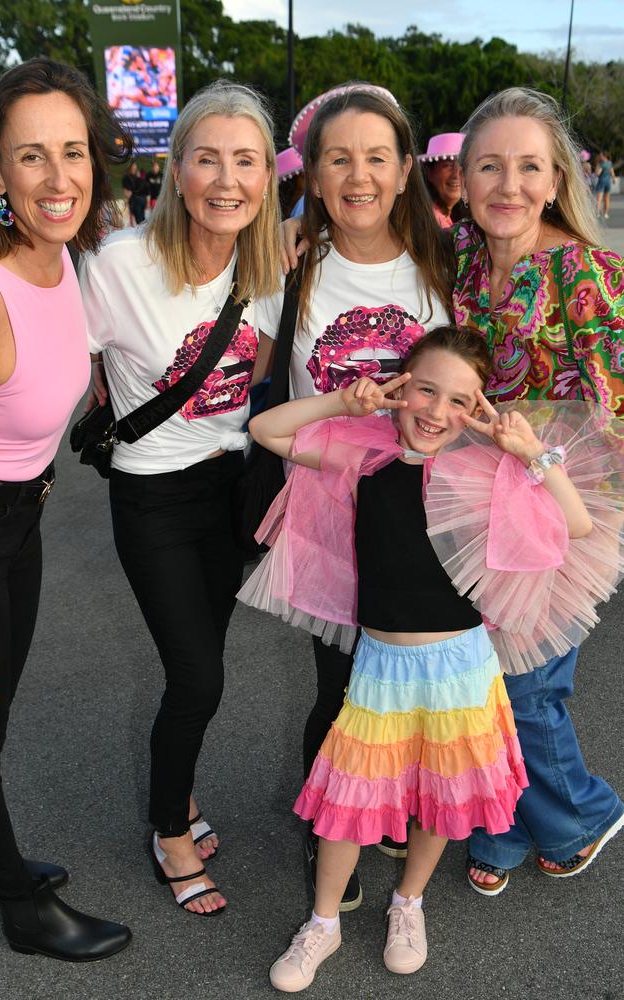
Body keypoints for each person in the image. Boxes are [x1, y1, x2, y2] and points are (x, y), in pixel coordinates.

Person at [245, 326, 597, 991]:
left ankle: (409, 902)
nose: (437, 412)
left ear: (478, 411)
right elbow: (267, 430)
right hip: (380, 666)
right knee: (347, 799)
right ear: (400, 388)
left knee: (440, 795)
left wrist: (529, 452)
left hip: (461, 669)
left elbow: (575, 525)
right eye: (425, 390)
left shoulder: (484, 472)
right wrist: (339, 404)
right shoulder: (366, 457)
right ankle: (324, 921)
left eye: (459, 401)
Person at [78, 80, 280, 915]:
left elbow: (264, 383)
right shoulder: (119, 264)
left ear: (269, 175)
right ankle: (169, 829)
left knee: (201, 665)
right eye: (208, 158)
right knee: (197, 677)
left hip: (231, 491)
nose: (226, 180)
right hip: (153, 495)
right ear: (176, 168)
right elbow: (62, 358)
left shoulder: (269, 267)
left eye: (246, 161)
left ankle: (182, 798)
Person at [260, 83, 453, 907]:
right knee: (341, 689)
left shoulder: (442, 265)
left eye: (378, 157)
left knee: (418, 685)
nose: (360, 174)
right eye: (339, 158)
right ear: (313, 173)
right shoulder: (286, 267)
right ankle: (329, 828)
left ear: (408, 168)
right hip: (329, 514)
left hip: (424, 522)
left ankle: (397, 807)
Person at [0, 57, 133, 961]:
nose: (59, 177)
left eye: (72, 151)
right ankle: (20, 906)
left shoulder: (64, 256)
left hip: (21, 517)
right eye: (31, 157)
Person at [453, 87, 624, 893]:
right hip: (473, 503)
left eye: (528, 166)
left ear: (556, 180)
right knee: (481, 677)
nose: (508, 185)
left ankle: (579, 812)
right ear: (462, 177)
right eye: (490, 165)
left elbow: (616, 415)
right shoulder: (461, 258)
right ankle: (504, 829)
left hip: (558, 507)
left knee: (528, 685)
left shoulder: (588, 272)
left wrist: (563, 487)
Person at [419, 132, 465, 228]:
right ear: (429, 173)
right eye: (447, 166)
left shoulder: (440, 217)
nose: (456, 175)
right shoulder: (433, 221)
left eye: (462, 166)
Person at [122, 160, 148, 225]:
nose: (134, 168)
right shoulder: (127, 177)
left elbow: (128, 192)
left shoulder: (135, 177)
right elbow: (126, 191)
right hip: (135, 200)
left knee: (139, 218)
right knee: (138, 218)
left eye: (134, 167)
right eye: (133, 167)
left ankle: (141, 229)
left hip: (138, 200)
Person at [594, 151, 616, 219]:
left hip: (601, 182)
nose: (600, 156)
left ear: (604, 156)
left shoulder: (601, 164)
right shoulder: (610, 163)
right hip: (608, 182)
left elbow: (598, 173)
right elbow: (612, 172)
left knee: (599, 198)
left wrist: (597, 168)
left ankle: (597, 212)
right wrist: (613, 179)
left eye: (601, 155)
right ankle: (606, 213)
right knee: (607, 199)